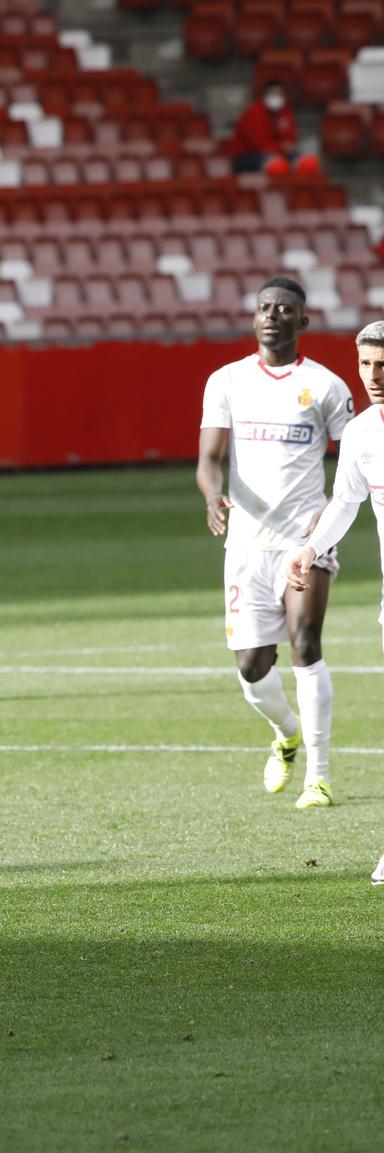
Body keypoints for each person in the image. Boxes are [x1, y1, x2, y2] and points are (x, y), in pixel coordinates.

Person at [197, 276, 354, 808]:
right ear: (254, 317)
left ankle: (319, 776)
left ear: (302, 321)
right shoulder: (227, 381)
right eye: (265, 307)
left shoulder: (327, 386)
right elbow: (209, 459)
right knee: (251, 667)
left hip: (303, 541)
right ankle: (285, 734)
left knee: (305, 646)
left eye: (285, 309)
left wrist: (330, 518)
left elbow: (353, 455)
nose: (273, 315)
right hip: (245, 545)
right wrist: (212, 494)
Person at [284, 322, 384, 877]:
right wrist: (310, 549)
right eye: (365, 364)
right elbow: (345, 502)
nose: (373, 377)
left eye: (383, 365)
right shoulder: (364, 433)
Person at [227, 82, 319, 178]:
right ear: (264, 96)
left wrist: (284, 148)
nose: (276, 97)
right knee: (277, 166)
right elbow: (260, 145)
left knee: (308, 164)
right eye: (272, 93)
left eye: (279, 94)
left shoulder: (286, 111)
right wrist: (282, 147)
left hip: (278, 154)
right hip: (248, 157)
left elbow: (291, 141)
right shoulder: (254, 112)